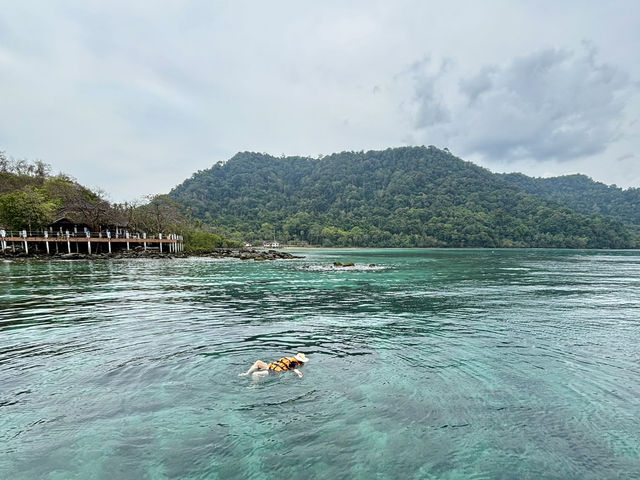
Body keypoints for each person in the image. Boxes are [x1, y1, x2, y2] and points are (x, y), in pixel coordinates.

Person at [239, 353, 309, 379]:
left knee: (255, 374)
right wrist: (298, 372)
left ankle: (254, 386)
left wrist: (298, 373)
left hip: (274, 370)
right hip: (273, 368)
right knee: (258, 362)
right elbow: (294, 368)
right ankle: (247, 374)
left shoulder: (293, 362)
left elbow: (293, 368)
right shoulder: (294, 362)